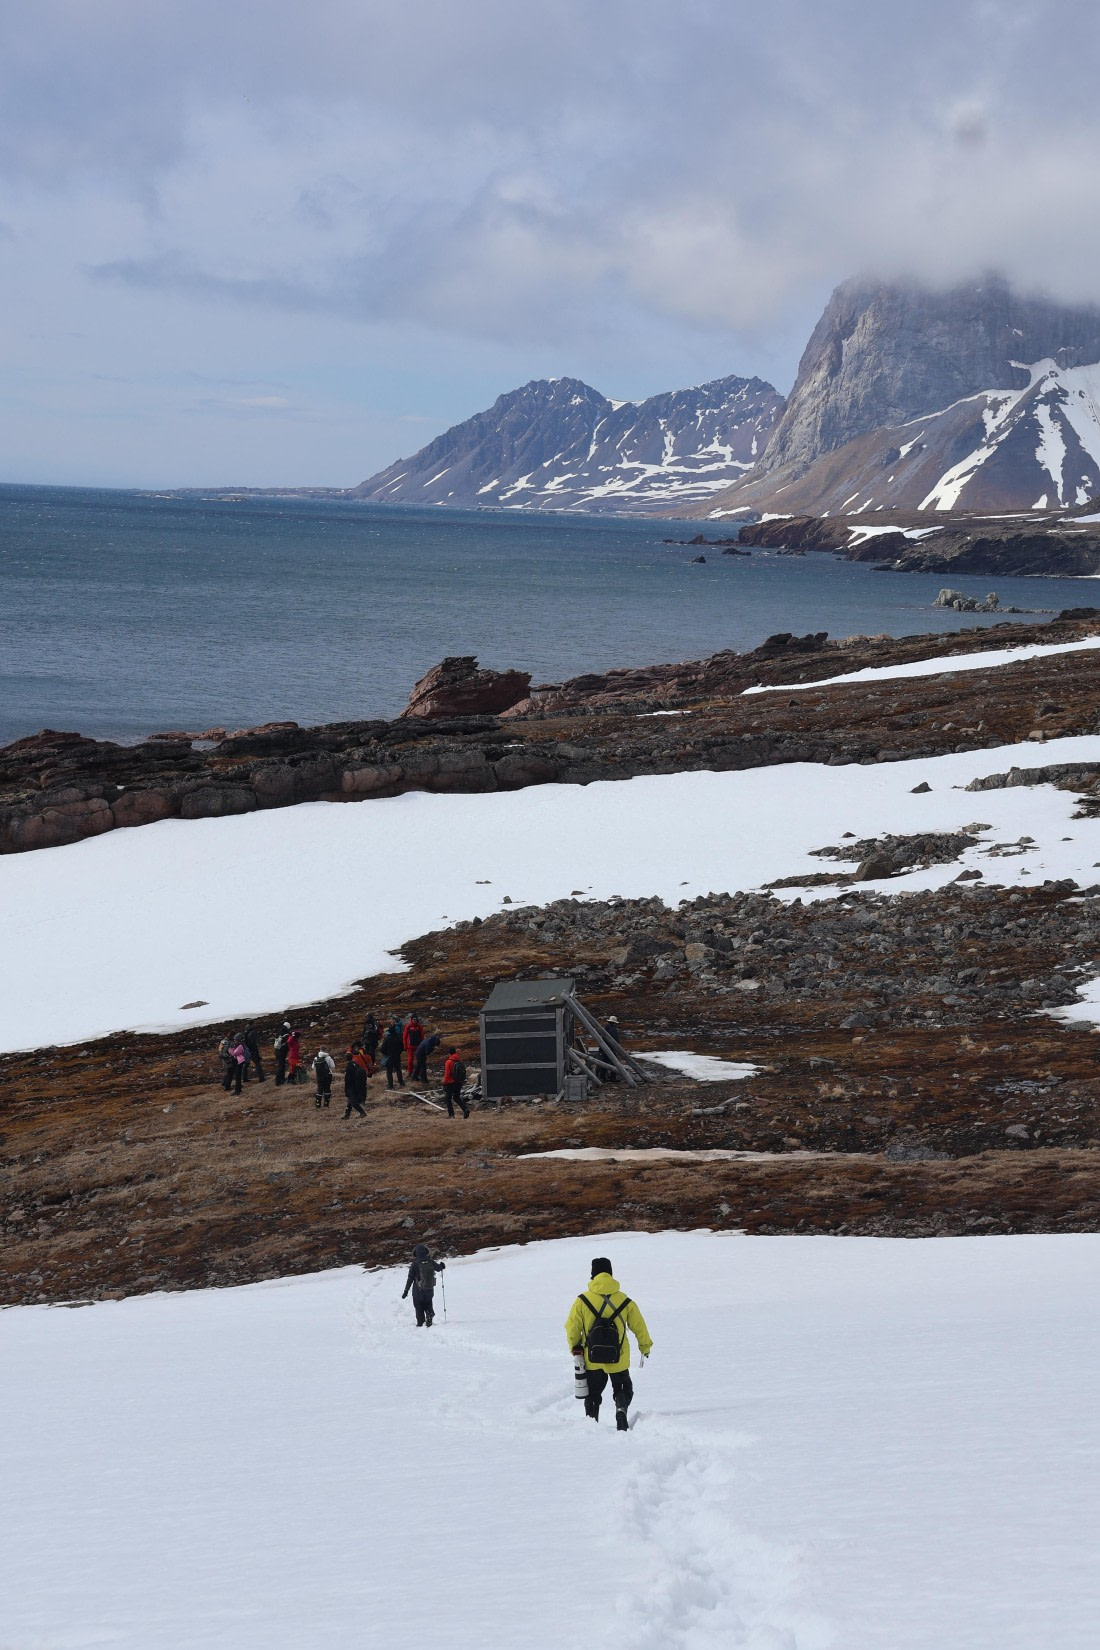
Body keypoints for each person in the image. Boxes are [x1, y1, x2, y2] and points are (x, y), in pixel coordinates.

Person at [565, 1256, 652, 1431]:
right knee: (622, 1388)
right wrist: (645, 1346)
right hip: (618, 1358)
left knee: (593, 1393)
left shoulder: (582, 1300)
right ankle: (621, 1409)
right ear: (611, 1274)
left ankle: (592, 1422)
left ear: (593, 1275)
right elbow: (639, 1326)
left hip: (592, 1358)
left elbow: (572, 1328)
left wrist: (575, 1348)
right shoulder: (625, 1300)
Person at [401, 1243, 445, 1327]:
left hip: (417, 1291)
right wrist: (442, 1265)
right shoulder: (430, 1261)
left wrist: (406, 1291)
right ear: (425, 1252)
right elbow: (439, 1268)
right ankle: (429, 1314)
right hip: (429, 1289)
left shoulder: (414, 1264)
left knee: (418, 1307)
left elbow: (410, 1279)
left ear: (415, 1253)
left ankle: (420, 1323)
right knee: (428, 1303)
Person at [441, 1048, 469, 1118]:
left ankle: (451, 1114)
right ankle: (465, 1109)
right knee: (456, 1097)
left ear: (449, 1054)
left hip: (450, 1083)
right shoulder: (459, 1060)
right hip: (459, 1082)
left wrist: (444, 1082)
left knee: (448, 1098)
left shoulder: (449, 1062)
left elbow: (447, 1074)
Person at [379, 1021, 404, 1089]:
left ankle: (391, 1086)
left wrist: (386, 1054)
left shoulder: (387, 1039)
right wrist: (399, 1052)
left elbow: (382, 1049)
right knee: (398, 1070)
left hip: (389, 1057)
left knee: (389, 1072)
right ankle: (401, 1083)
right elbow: (402, 1047)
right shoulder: (398, 1038)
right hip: (397, 1056)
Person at [343, 1049, 367, 1118]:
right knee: (350, 1101)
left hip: (351, 1086)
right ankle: (347, 1114)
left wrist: (346, 1089)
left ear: (346, 1059)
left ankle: (362, 1112)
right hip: (358, 1085)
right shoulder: (356, 1064)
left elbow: (347, 1080)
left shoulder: (348, 1067)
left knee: (352, 1101)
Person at [224, 1032, 247, 1097]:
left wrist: (229, 1049)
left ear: (239, 1039)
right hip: (237, 1061)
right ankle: (238, 1089)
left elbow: (234, 1053)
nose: (234, 1041)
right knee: (237, 1076)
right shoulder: (238, 1045)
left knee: (238, 1076)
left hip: (239, 1062)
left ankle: (237, 1091)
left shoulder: (240, 1046)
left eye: (235, 1039)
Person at [403, 1013, 424, 1078]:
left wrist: (422, 1045)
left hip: (418, 1046)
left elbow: (422, 1036)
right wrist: (405, 1046)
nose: (415, 1020)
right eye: (414, 1019)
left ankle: (419, 1072)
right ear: (411, 1019)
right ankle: (410, 1072)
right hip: (410, 1047)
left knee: (419, 1059)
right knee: (410, 1060)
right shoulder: (408, 1026)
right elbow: (404, 1036)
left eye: (416, 1019)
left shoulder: (419, 1026)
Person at [273, 1021, 291, 1087]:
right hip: (281, 1052)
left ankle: (282, 1079)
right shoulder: (286, 1034)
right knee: (281, 1066)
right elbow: (287, 1044)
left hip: (276, 1051)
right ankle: (278, 1081)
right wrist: (288, 1050)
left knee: (282, 1065)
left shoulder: (279, 1032)